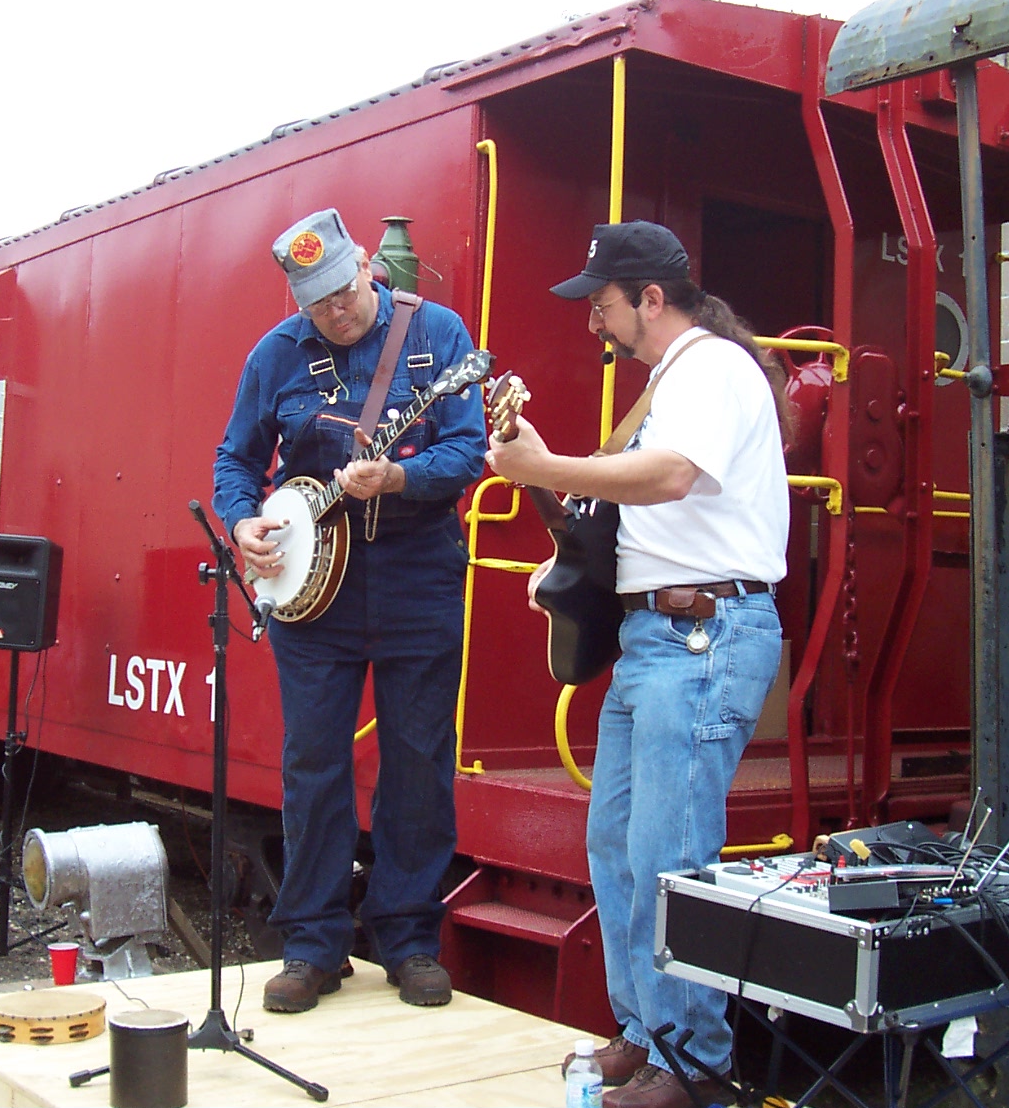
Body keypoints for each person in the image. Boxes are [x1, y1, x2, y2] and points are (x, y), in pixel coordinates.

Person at [486, 222, 790, 1108]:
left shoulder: (710, 369)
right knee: (620, 844)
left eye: (603, 304)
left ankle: (691, 1064)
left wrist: (544, 462)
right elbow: (628, 511)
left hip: (701, 635)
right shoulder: (677, 379)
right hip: (663, 637)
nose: (594, 323)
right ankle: (648, 1033)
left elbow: (671, 477)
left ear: (651, 299)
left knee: (668, 853)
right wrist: (555, 514)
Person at [213, 208, 487, 1013]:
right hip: (310, 587)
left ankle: (408, 939)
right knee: (313, 763)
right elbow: (236, 459)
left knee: (418, 760)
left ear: (367, 264)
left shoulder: (438, 333)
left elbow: (468, 449)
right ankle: (312, 944)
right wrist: (243, 524)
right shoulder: (275, 352)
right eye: (317, 302)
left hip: (417, 571)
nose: (335, 311)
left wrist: (400, 478)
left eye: (343, 290)